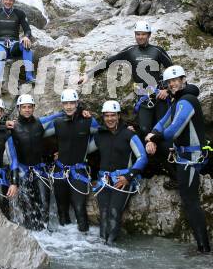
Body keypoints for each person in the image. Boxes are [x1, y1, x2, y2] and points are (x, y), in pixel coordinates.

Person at [80, 20, 174, 185]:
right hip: (144, 100)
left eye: (143, 34)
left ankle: (171, 169)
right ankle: (145, 168)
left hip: (159, 97)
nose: (140, 37)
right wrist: (88, 74)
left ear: (149, 35)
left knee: (163, 132)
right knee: (145, 130)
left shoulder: (157, 51)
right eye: (138, 34)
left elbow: (172, 69)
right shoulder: (131, 51)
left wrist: (167, 89)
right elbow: (110, 61)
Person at [145, 65, 210, 253]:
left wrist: (154, 138)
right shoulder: (177, 102)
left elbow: (174, 129)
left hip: (191, 159)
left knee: (190, 201)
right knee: (188, 199)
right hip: (183, 157)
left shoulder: (187, 101)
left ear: (183, 80)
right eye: (170, 82)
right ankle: (202, 247)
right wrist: (153, 134)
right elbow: (163, 122)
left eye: (176, 80)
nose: (173, 84)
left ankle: (203, 248)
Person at [88, 100, 147, 245]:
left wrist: (128, 176)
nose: (110, 119)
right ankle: (103, 247)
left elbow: (143, 157)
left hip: (123, 179)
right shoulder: (100, 135)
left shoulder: (128, 134)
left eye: (113, 115)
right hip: (104, 180)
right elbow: (84, 151)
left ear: (119, 116)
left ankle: (111, 246)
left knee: (114, 212)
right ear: (103, 116)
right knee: (103, 214)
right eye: (107, 116)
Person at [8, 94, 64, 230]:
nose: (27, 110)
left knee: (44, 204)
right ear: (18, 108)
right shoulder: (12, 127)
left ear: (33, 108)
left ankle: (45, 235)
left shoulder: (40, 123)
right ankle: (31, 236)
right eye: (24, 107)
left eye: (29, 107)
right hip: (22, 170)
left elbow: (61, 114)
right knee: (28, 207)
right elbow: (12, 156)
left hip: (39, 170)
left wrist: (82, 111)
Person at [52, 89, 99, 232]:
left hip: (79, 170)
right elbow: (37, 130)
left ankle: (83, 242)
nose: (69, 106)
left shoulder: (88, 121)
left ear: (77, 103)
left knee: (79, 209)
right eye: (66, 103)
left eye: (72, 103)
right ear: (62, 104)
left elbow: (106, 133)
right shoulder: (57, 122)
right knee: (62, 209)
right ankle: (65, 244)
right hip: (60, 170)